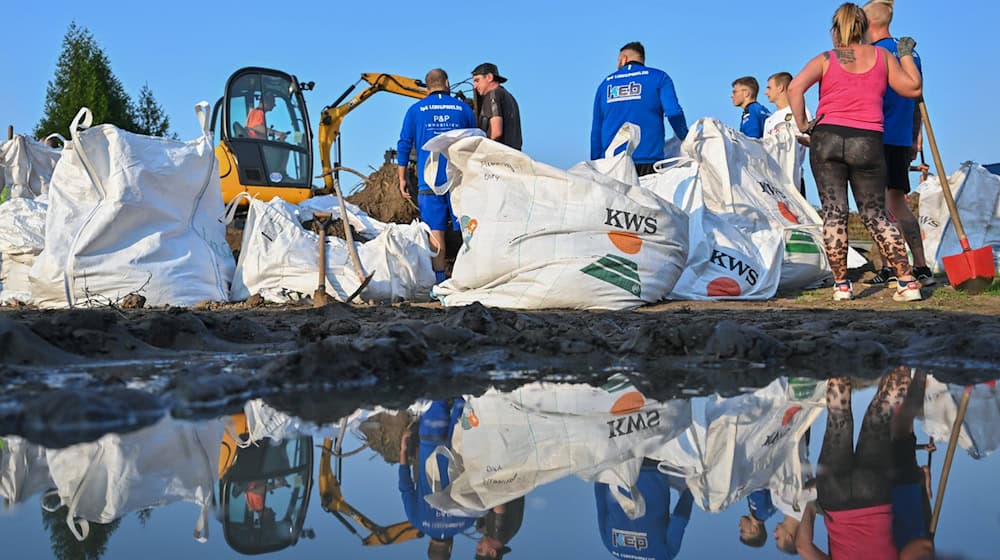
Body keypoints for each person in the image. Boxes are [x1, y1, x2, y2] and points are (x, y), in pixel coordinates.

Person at [788, 3, 924, 302]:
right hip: (868, 139)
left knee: (834, 214)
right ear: (863, 29)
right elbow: (913, 88)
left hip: (827, 138)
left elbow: (795, 88)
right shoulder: (883, 57)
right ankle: (907, 281)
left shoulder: (827, 58)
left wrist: (804, 125)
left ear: (835, 30)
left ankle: (841, 287)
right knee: (875, 214)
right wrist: (905, 53)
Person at [796, 370, 914, 559]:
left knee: (880, 417)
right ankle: (839, 355)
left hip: (875, 498)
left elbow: (917, 548)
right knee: (837, 421)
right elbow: (803, 547)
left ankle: (904, 353)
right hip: (835, 500)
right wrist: (810, 506)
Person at [862, 0, 936, 288]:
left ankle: (893, 266)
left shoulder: (874, 54)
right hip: (902, 136)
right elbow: (917, 97)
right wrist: (915, 137)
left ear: (869, 24)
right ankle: (920, 266)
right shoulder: (909, 53)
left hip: (878, 134)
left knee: (877, 206)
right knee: (897, 203)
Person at [397, 68, 476, 284]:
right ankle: (468, 279)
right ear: (447, 83)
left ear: (426, 87)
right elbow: (476, 142)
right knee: (467, 231)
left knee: (435, 232)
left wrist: (402, 178)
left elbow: (404, 145)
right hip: (460, 181)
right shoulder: (464, 109)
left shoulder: (415, 110)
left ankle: (440, 282)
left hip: (429, 182)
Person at [591, 41, 689, 176]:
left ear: (623, 59)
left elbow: (596, 130)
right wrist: (685, 137)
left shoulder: (605, 84)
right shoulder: (659, 78)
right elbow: (674, 113)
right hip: (648, 161)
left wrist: (596, 164)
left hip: (611, 164)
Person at [399, 399, 479, 560]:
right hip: (430, 443)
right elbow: (405, 487)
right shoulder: (418, 521)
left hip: (460, 445)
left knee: (466, 397)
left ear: (449, 549)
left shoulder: (467, 521)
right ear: (429, 545)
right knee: (435, 392)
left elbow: (478, 485)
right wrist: (403, 449)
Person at [595, 461, 694, 559]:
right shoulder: (611, 547)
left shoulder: (664, 555)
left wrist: (690, 491)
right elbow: (600, 494)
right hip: (618, 467)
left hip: (651, 467)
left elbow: (680, 519)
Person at [889, 369, 935, 560]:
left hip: (890, 491)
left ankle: (907, 370)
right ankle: (919, 370)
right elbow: (925, 542)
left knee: (897, 425)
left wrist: (923, 480)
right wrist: (924, 482)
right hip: (904, 490)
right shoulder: (922, 549)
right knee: (901, 426)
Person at [763, 71, 813, 196]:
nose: (766, 92)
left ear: (780, 88)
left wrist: (793, 138)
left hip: (793, 180)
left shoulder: (800, 111)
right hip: (773, 182)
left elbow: (813, 141)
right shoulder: (769, 120)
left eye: (769, 88)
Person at [472, 63, 522, 150]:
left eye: (477, 80)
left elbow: (496, 132)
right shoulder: (509, 97)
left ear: (489, 77)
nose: (475, 86)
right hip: (515, 156)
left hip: (499, 157)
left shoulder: (492, 95)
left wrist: (481, 150)